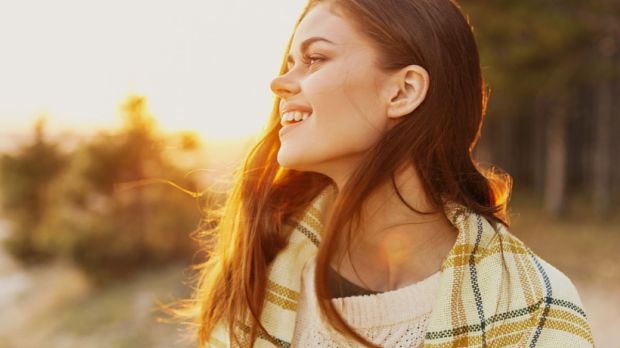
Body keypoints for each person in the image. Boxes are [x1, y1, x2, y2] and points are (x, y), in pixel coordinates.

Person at [166, 0, 594, 347]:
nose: (279, 82)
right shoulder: (261, 269)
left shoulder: (538, 309)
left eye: (314, 58)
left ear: (403, 91)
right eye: (290, 61)